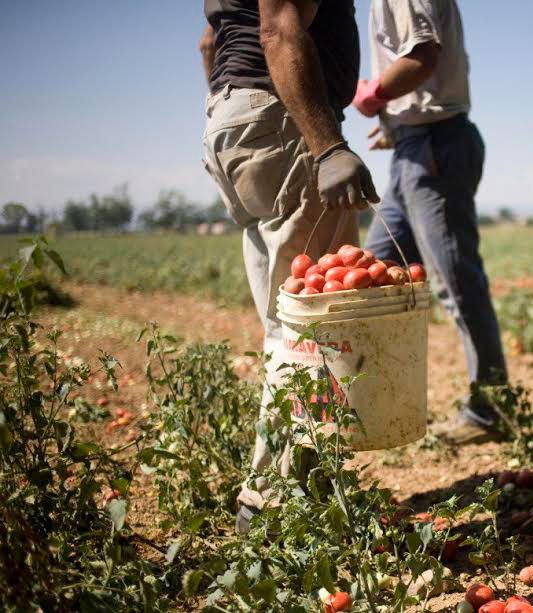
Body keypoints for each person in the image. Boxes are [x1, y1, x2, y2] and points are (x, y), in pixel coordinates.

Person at [199, 0, 378, 534]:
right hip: (282, 117)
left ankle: (296, 489)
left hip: (232, 117)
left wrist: (241, 113)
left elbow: (209, 44)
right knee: (313, 328)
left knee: (286, 324)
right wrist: (327, 146)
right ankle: (274, 504)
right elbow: (278, 28)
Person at [352, 0, 507, 445]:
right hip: (415, 146)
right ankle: (374, 403)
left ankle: (490, 410)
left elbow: (422, 57)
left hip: (435, 146)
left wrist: (373, 95)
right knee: (373, 275)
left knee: (457, 284)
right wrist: (398, 124)